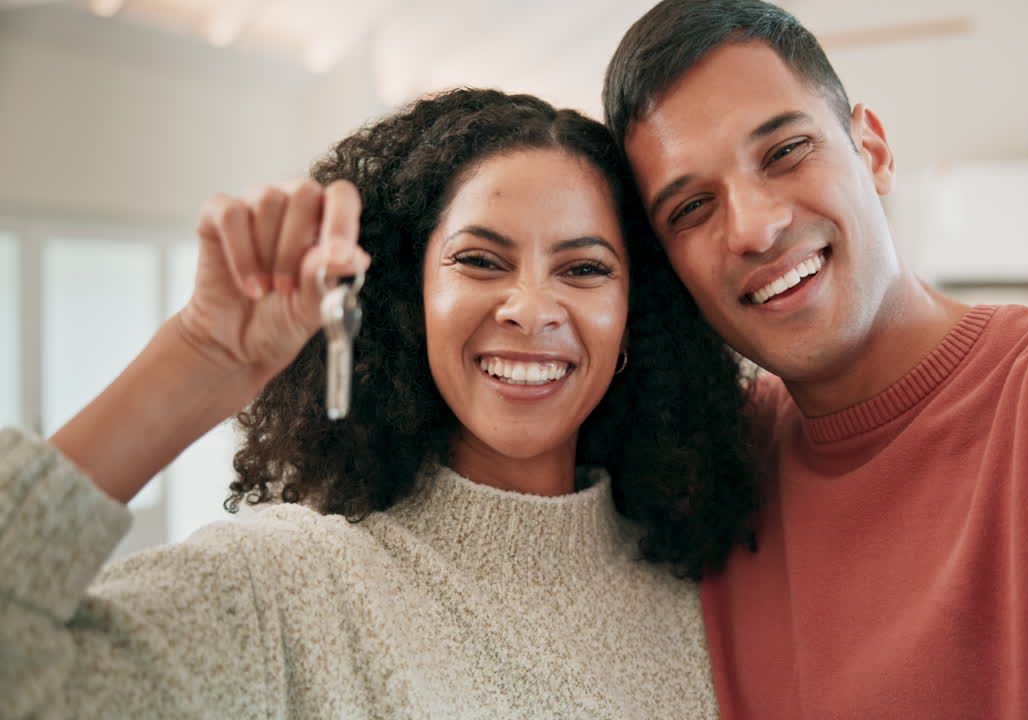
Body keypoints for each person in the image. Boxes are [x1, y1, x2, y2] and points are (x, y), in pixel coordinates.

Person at [603, 1, 1028, 718]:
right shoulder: (704, 470)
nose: (755, 228)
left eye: (784, 152)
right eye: (691, 209)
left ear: (874, 151)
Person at [0, 88, 756, 718]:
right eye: (479, 260)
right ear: (406, 300)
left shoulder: (703, 591)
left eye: (585, 267)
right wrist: (201, 357)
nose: (531, 307)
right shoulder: (291, 589)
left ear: (637, 315)